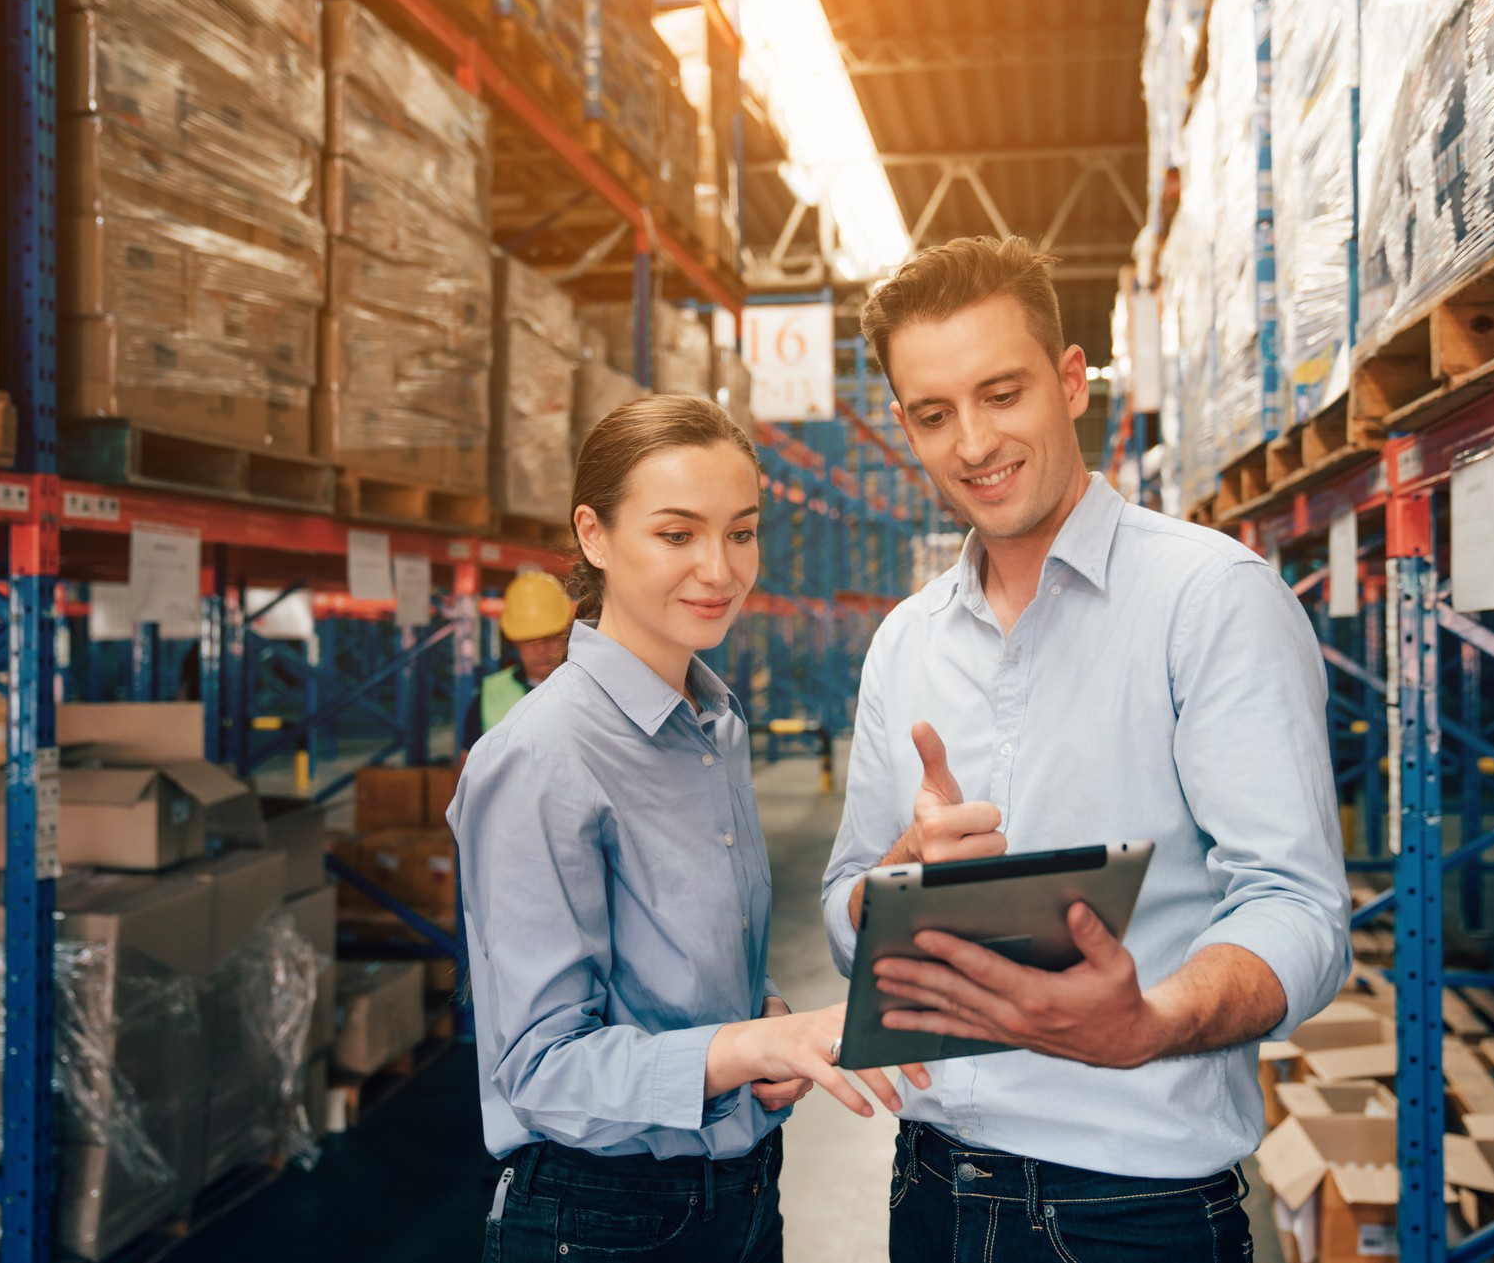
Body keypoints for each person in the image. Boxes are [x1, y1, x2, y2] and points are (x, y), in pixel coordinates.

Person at [820, 236, 1350, 1262]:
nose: (974, 442)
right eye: (935, 415)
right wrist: (893, 880)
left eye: (1002, 393)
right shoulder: (906, 643)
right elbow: (847, 912)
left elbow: (1297, 907)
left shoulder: (1209, 600)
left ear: (1071, 383)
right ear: (907, 429)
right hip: (931, 1191)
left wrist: (1152, 1020)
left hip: (1134, 1215)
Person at [453, 394, 928, 1263]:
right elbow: (540, 1070)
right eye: (678, 534)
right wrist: (744, 1043)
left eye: (740, 532)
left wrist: (763, 1020)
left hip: (742, 1192)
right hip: (603, 1220)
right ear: (593, 536)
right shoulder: (540, 756)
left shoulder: (713, 723)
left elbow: (685, 975)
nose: (720, 568)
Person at [459, 570, 573, 751]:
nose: (541, 649)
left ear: (567, 634)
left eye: (551, 637)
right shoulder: (489, 696)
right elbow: (467, 773)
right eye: (530, 641)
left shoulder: (591, 689)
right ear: (514, 641)